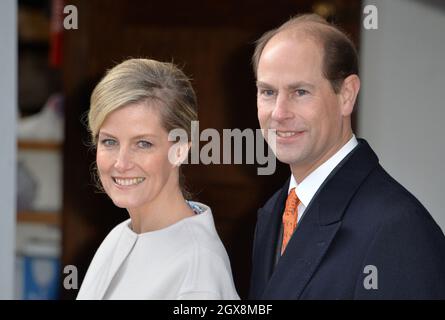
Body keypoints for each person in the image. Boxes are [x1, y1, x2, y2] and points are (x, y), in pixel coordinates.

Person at [249, 14, 445, 299]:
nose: (279, 113)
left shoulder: (398, 230)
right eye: (267, 92)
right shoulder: (272, 213)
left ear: (347, 95)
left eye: (300, 92)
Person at [77, 58, 239, 300]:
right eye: (109, 141)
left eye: (143, 143)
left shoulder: (198, 273)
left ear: (181, 149)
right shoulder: (119, 237)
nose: (121, 163)